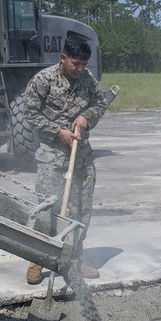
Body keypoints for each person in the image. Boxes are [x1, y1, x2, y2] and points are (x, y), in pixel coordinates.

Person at [24, 33, 109, 284]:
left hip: (81, 157)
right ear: (63, 58)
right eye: (75, 64)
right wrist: (56, 131)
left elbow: (100, 102)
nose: (80, 69)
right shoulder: (43, 80)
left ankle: (72, 259)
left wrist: (86, 118)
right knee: (46, 209)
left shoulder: (87, 79)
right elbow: (28, 113)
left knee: (81, 208)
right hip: (51, 157)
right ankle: (37, 260)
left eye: (84, 64)